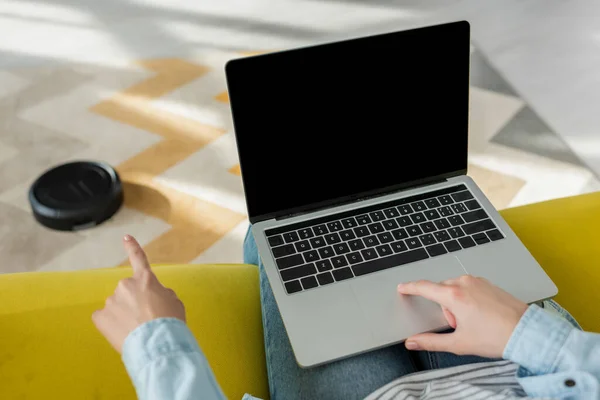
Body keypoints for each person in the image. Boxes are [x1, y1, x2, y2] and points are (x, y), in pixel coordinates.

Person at [92, 232, 600, 400]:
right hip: (536, 375)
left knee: (282, 226)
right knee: (392, 194)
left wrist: (156, 344)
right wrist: (528, 334)